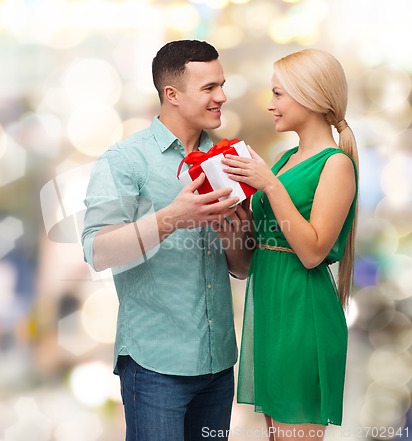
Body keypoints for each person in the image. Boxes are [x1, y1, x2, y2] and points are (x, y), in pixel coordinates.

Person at [81, 40, 249, 441]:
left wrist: (236, 236)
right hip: (155, 368)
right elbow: (97, 250)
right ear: (171, 94)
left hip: (218, 363)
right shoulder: (124, 160)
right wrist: (173, 218)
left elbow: (241, 268)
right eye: (209, 88)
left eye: (221, 85)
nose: (222, 97)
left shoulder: (230, 159)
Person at [221, 49, 358, 440]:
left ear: (310, 96)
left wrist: (268, 185)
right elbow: (267, 237)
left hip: (302, 313)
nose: (270, 105)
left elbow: (313, 251)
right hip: (270, 310)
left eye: (278, 94)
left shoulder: (336, 164)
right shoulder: (282, 161)